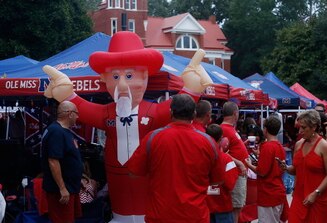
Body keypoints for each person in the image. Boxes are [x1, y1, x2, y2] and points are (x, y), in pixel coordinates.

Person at [42, 31, 213, 223]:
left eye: (129, 75)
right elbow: (82, 108)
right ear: (104, 79)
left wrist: (191, 89)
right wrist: (67, 95)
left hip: (146, 185)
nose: (122, 85)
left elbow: (179, 106)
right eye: (115, 77)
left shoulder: (152, 112)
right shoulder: (106, 113)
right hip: (117, 185)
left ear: (145, 77)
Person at [127, 94, 225, 223]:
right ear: (194, 113)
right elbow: (218, 180)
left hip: (160, 216)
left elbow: (133, 172)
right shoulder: (208, 142)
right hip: (195, 216)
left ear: (171, 112)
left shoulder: (153, 138)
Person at [283, 109, 327, 222]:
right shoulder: (298, 144)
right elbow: (296, 169)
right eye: (299, 127)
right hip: (299, 197)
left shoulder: (324, 146)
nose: (300, 131)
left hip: (318, 198)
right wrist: (285, 168)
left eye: (304, 127)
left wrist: (316, 192)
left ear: (314, 127)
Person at [41, 101, 83, 223]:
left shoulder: (64, 131)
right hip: (61, 191)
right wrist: (62, 188)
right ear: (69, 114)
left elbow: (69, 160)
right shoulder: (56, 131)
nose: (78, 117)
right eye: (76, 113)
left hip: (70, 187)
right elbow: (53, 161)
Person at [245, 115, 287, 223]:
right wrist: (259, 155)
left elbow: (261, 172)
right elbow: (272, 165)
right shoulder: (279, 146)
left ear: (266, 130)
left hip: (268, 193)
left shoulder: (268, 147)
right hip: (277, 190)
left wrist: (248, 164)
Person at [220, 101, 249, 223]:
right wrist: (240, 163)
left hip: (238, 174)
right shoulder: (225, 129)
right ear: (235, 114)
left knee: (238, 206)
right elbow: (221, 153)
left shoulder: (230, 129)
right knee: (236, 207)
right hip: (235, 175)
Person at [206, 124, 238, 223]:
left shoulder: (200, 157)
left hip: (205, 206)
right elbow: (230, 185)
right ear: (221, 138)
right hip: (223, 206)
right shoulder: (227, 159)